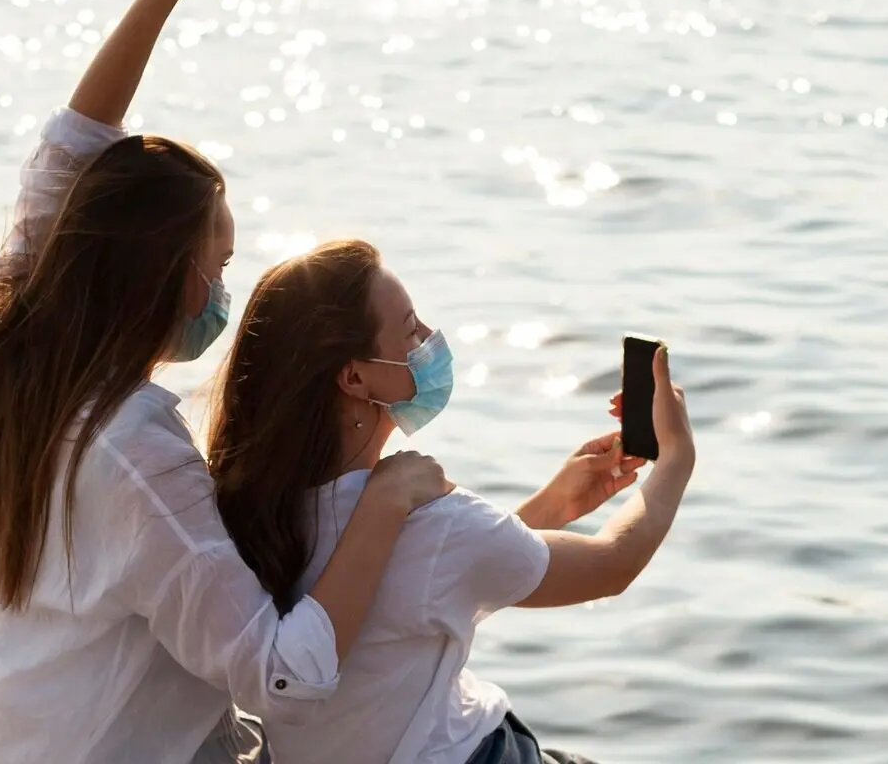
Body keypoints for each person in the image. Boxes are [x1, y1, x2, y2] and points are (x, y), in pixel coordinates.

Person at [0, 0, 450, 764]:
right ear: (163, 277)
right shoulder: (137, 452)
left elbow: (66, 154)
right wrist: (388, 498)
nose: (226, 291)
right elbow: (282, 673)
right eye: (218, 266)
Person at [206, 240, 697, 764]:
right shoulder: (427, 520)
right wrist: (675, 459)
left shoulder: (257, 511)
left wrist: (553, 504)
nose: (428, 339)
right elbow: (613, 564)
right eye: (410, 329)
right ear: (354, 376)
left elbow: (419, 596)